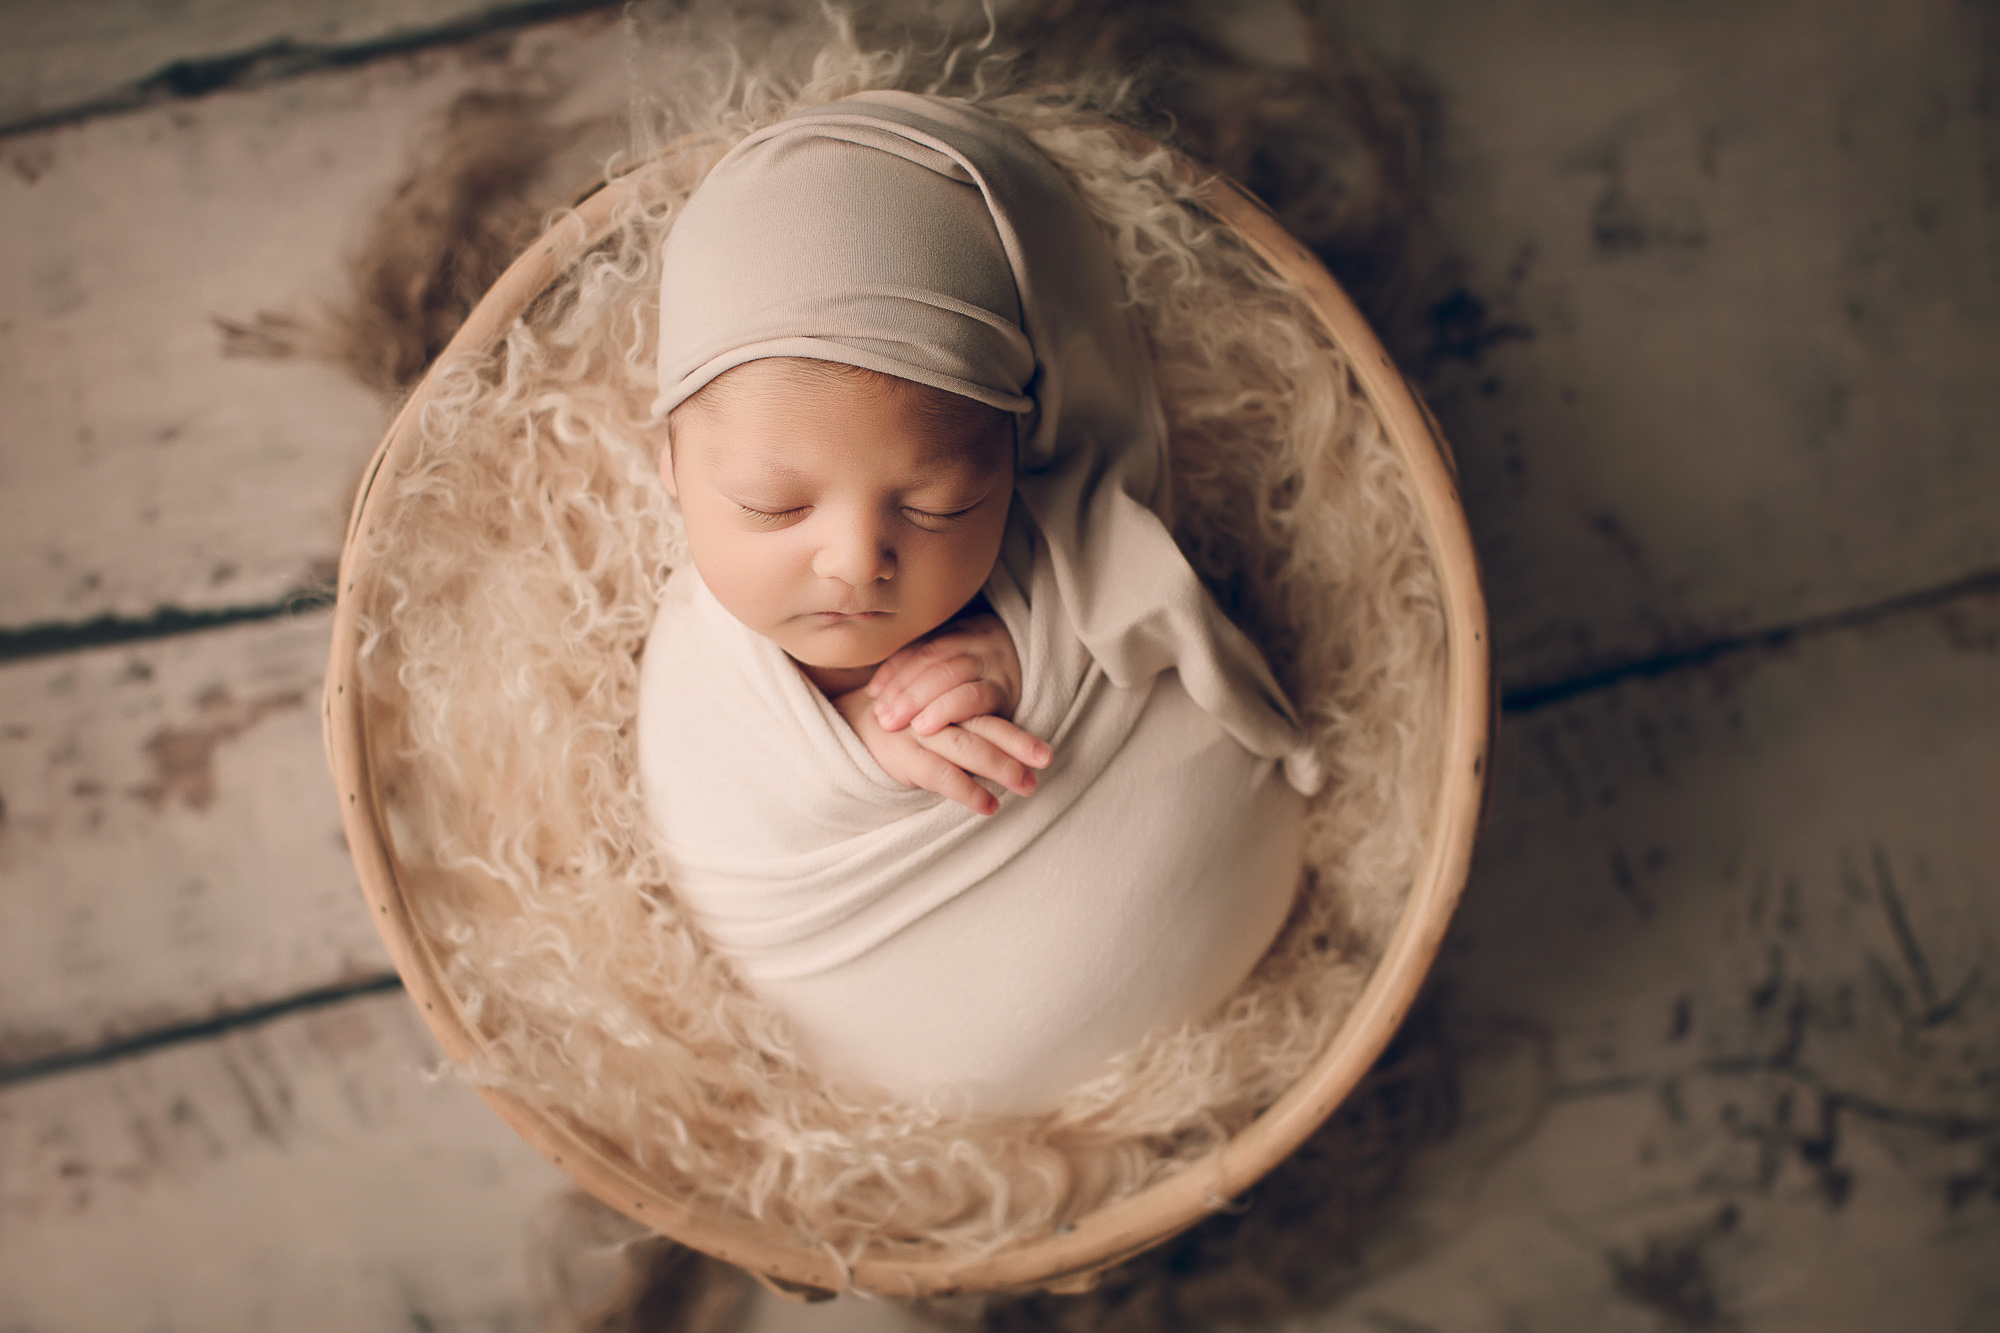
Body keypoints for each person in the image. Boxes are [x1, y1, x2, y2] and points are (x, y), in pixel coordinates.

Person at [637, 90, 1320, 1115]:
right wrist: (862, 747)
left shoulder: (1059, 540)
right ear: (671, 473)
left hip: (1201, 922)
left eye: (937, 503)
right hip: (876, 1016)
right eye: (769, 506)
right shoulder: (696, 669)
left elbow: (1141, 610)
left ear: (1015, 462)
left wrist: (1016, 646)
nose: (857, 559)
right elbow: (706, 817)